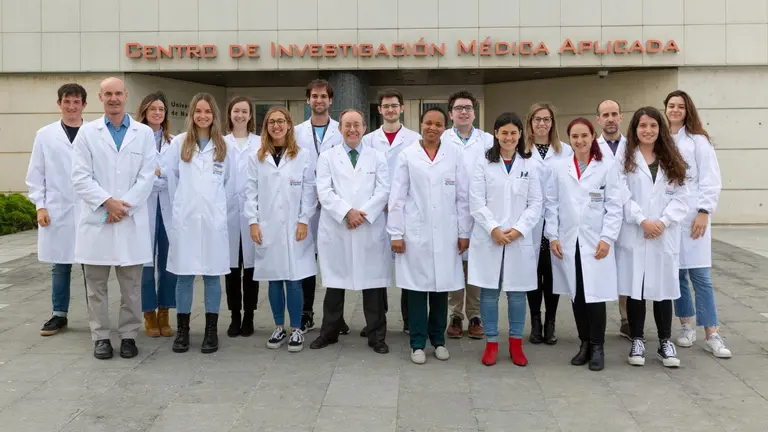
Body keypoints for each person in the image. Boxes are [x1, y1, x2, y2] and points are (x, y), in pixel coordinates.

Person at [70, 77, 156, 360]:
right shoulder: (87, 133)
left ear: (126, 96)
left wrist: (123, 207)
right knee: (96, 287)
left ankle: (129, 335)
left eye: (118, 93)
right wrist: (108, 203)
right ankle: (101, 337)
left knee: (131, 288)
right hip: (98, 220)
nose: (114, 98)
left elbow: (147, 177)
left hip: (129, 220)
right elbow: (80, 177)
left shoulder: (143, 134)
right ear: (100, 97)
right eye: (108, 94)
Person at [388, 107, 472, 365]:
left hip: (447, 233)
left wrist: (463, 232)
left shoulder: (454, 154)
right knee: (416, 290)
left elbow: (463, 196)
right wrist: (396, 233)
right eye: (428, 123)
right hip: (415, 234)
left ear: (444, 128)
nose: (432, 128)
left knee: (440, 289)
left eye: (437, 124)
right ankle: (416, 343)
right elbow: (397, 197)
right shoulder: (407, 155)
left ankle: (438, 340)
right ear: (421, 124)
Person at [310, 109, 392, 354]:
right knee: (335, 283)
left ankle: (377, 335)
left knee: (374, 285)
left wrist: (362, 213)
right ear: (340, 129)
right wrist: (347, 212)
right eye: (347, 125)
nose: (352, 129)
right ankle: (330, 332)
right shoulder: (327, 157)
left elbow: (383, 190)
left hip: (369, 227)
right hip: (338, 227)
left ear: (365, 127)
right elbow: (324, 191)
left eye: (357, 124)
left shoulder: (378, 157)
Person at [545, 118, 623, 372]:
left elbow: (614, 206)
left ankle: (598, 346)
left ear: (592, 137)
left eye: (584, 136)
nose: (579, 141)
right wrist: (553, 236)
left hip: (595, 242)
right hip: (568, 241)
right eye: (575, 136)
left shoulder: (607, 166)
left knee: (595, 296)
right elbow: (552, 204)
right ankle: (584, 343)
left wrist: (607, 238)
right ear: (570, 139)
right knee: (577, 295)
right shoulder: (560, 167)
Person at [468, 112, 543, 367]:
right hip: (490, 237)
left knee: (517, 294)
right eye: (504, 132)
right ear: (496, 134)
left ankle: (515, 344)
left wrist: (519, 229)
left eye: (513, 132)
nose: (509, 137)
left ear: (520, 135)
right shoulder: (483, 163)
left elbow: (536, 203)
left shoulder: (529, 164)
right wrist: (494, 228)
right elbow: (475, 201)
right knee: (489, 293)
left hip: (518, 239)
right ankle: (491, 342)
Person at [616, 106, 688, 368]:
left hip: (663, 232)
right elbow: (620, 194)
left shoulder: (671, 157)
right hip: (637, 230)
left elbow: (683, 196)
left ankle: (665, 341)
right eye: (643, 126)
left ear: (661, 129)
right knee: (636, 288)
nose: (648, 131)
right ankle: (637, 339)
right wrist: (642, 220)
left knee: (663, 289)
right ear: (635, 129)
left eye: (653, 126)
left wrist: (663, 222)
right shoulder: (625, 157)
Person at [165, 93, 233, 355]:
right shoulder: (179, 144)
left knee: (212, 276)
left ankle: (210, 331)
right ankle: (182, 331)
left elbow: (229, 185)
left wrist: (215, 211)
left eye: (207, 111)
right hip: (186, 220)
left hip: (213, 222)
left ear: (214, 115)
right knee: (184, 276)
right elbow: (172, 183)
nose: (203, 116)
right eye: (198, 111)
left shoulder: (224, 146)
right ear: (191, 114)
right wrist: (182, 211)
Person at [664, 90, 731, 358]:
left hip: (694, 216)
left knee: (700, 276)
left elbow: (711, 179)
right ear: (665, 109)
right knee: (677, 275)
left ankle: (712, 332)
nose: (676, 110)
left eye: (680, 106)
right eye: (671, 106)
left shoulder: (699, 141)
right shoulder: (663, 138)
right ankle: (685, 325)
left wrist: (704, 211)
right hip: (671, 217)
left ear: (688, 110)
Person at [245, 107, 317, 353]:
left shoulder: (303, 155)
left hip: (296, 227)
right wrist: (253, 222)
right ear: (266, 126)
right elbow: (250, 192)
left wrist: (304, 220)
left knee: (294, 279)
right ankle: (279, 326)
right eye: (272, 122)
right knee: (275, 280)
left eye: (281, 121)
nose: (276, 126)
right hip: (267, 227)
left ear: (289, 125)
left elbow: (310, 190)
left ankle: (297, 329)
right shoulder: (257, 157)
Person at [26, 83, 88, 337]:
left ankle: (96, 314)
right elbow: (35, 174)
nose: (71, 106)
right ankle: (58, 314)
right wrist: (40, 206)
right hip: (58, 209)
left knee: (92, 266)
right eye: (67, 101)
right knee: (60, 264)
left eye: (76, 102)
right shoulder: (45, 135)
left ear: (84, 104)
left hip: (88, 209)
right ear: (59, 104)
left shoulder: (94, 133)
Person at [361, 88, 421, 336]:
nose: (390, 110)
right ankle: (377, 320)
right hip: (376, 212)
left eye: (394, 105)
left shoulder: (414, 138)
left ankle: (409, 320)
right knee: (376, 268)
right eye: (385, 106)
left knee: (408, 265)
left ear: (402, 108)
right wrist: (380, 201)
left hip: (405, 211)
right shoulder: (369, 140)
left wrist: (396, 201)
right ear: (379, 110)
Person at [294, 79, 344, 334]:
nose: (319, 100)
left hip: (334, 203)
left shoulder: (342, 129)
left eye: (323, 96)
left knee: (336, 259)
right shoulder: (297, 132)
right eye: (314, 96)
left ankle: (337, 317)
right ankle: (306, 312)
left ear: (331, 100)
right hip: (305, 203)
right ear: (308, 100)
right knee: (305, 260)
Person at [442, 90, 493, 340]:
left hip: (479, 213)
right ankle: (455, 315)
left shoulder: (488, 141)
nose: (463, 111)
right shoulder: (441, 139)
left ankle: (474, 315)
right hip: (449, 212)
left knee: (475, 265)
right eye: (459, 108)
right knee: (454, 264)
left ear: (474, 112)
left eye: (468, 108)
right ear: (451, 113)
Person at [525, 102, 573, 345]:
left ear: (552, 122)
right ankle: (535, 321)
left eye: (546, 119)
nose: (542, 123)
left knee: (552, 273)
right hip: (530, 222)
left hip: (557, 221)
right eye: (537, 119)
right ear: (530, 123)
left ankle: (550, 322)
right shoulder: (523, 150)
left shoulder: (565, 151)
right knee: (532, 273)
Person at [134, 91, 177, 339]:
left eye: (161, 109)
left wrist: (157, 175)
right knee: (146, 264)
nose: (157, 113)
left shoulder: (174, 142)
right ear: (144, 112)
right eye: (153, 109)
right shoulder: (136, 140)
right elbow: (138, 175)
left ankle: (164, 311)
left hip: (167, 208)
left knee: (169, 263)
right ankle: (148, 313)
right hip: (145, 208)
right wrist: (157, 175)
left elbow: (173, 174)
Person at [224, 96, 261, 338]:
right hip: (226, 212)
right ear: (230, 114)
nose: (240, 115)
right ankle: (234, 315)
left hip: (252, 212)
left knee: (251, 268)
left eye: (244, 111)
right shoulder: (221, 142)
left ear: (250, 116)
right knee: (230, 268)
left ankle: (249, 315)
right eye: (236, 111)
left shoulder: (260, 143)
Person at [595, 99, 629, 339]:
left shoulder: (633, 147)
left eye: (614, 114)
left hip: (629, 218)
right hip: (600, 220)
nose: (610, 118)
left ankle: (627, 319)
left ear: (621, 117)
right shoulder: (592, 146)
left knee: (627, 270)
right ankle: (596, 323)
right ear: (598, 119)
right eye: (605, 114)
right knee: (600, 269)